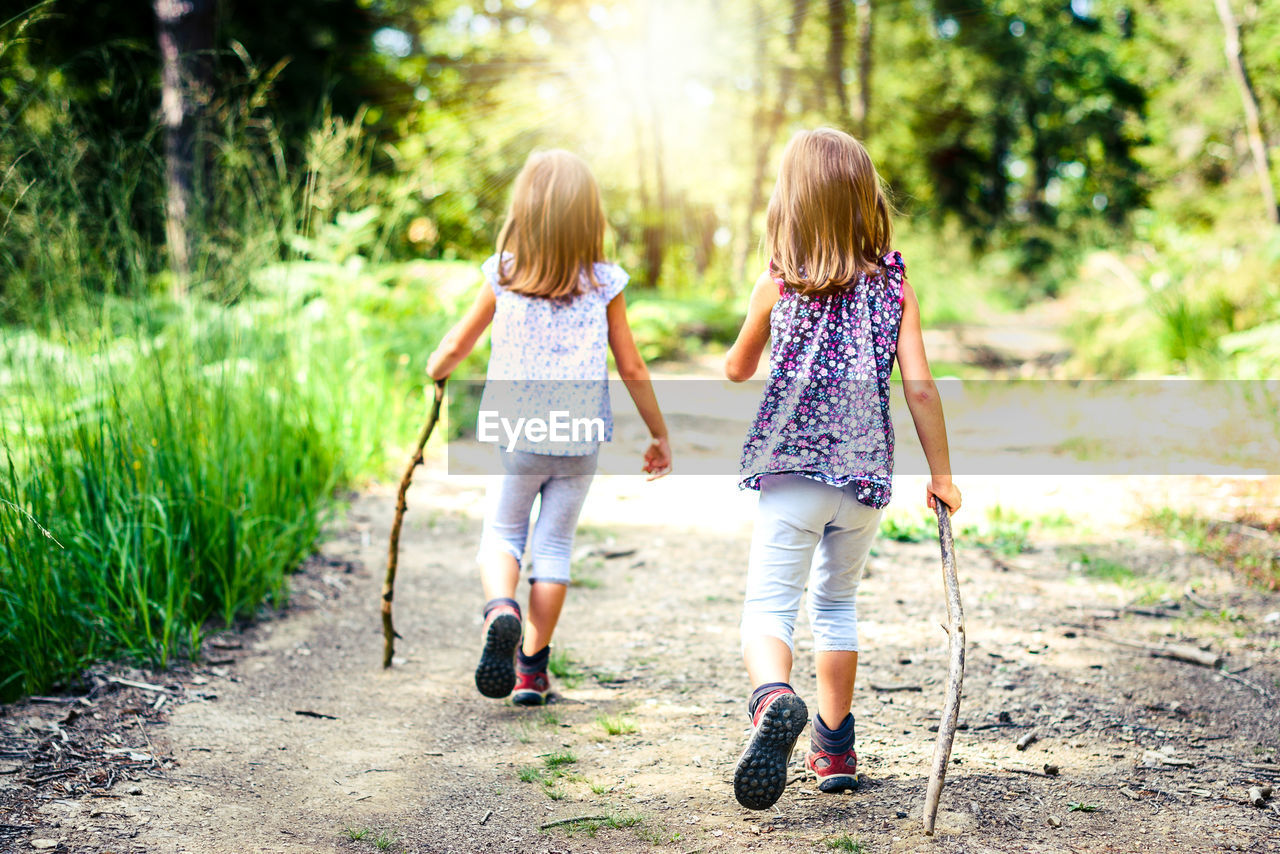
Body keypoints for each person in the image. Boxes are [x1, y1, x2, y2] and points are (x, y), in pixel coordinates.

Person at [723, 128, 961, 809]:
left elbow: (737, 368)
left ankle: (774, 697)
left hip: (793, 474)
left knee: (770, 606)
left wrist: (756, 332)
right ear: (865, 198)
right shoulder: (894, 286)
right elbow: (919, 387)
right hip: (863, 482)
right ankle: (834, 747)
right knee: (836, 604)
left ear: (790, 202)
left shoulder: (778, 281)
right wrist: (941, 475)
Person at [426, 149, 672, 706]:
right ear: (589, 218)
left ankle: (501, 609)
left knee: (503, 533)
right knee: (554, 545)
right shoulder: (605, 281)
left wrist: (435, 370)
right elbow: (632, 365)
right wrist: (659, 433)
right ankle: (532, 671)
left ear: (526, 210)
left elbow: (456, 344)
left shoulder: (505, 272)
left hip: (517, 433)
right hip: (580, 435)